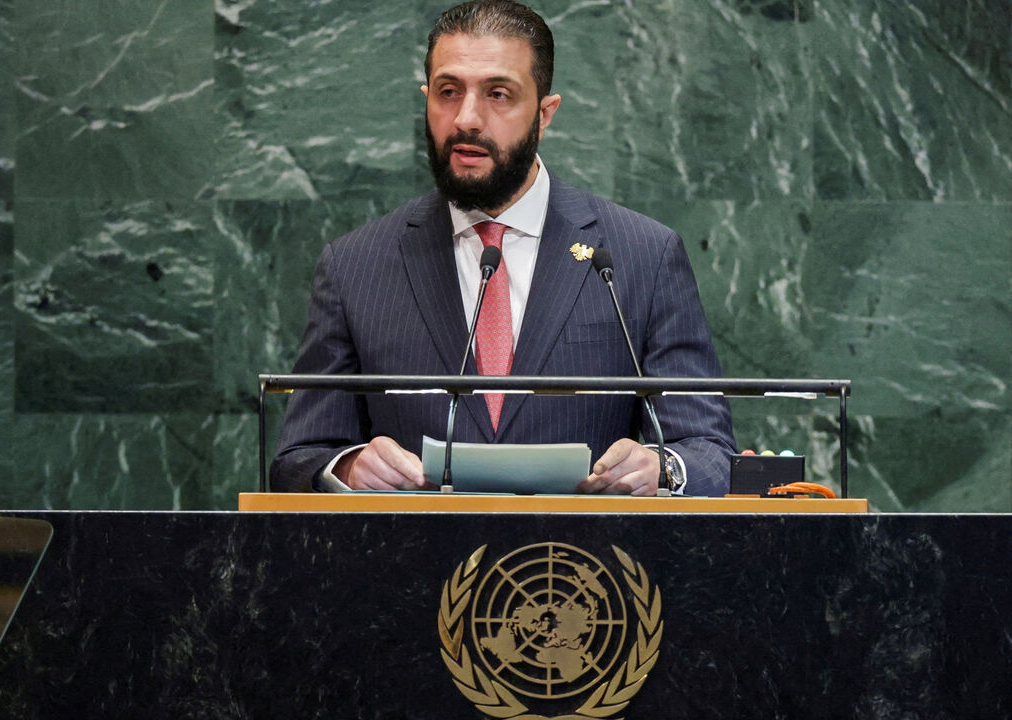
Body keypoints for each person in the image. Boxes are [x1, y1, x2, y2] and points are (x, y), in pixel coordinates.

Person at [270, 0, 734, 496]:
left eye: (498, 94)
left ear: (545, 113)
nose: (467, 118)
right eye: (448, 92)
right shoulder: (355, 266)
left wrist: (660, 468)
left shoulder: (642, 255)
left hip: (584, 566)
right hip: (411, 563)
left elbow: (708, 449)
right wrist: (347, 468)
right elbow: (297, 459)